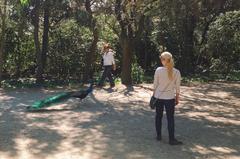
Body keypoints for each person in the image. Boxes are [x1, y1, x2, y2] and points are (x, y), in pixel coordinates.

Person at [153, 51, 183, 145]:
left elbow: (155, 85)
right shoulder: (177, 72)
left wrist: (153, 95)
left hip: (158, 96)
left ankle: (158, 136)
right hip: (170, 98)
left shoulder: (158, 70)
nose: (161, 60)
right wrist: (177, 98)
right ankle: (171, 139)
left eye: (161, 59)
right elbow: (177, 87)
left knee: (158, 116)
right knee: (170, 118)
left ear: (164, 60)